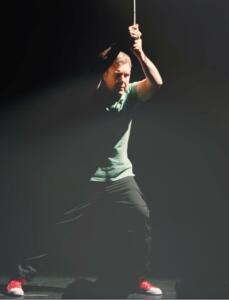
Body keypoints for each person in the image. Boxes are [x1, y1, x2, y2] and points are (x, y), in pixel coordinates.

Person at [5, 24, 163, 298]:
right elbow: (98, 63)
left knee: (140, 217)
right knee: (56, 229)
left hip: (120, 177)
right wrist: (120, 44)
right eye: (118, 75)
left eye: (127, 75)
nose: (124, 80)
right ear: (105, 75)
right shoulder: (92, 95)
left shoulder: (132, 95)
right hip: (87, 179)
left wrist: (139, 52)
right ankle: (18, 278)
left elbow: (158, 83)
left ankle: (138, 276)